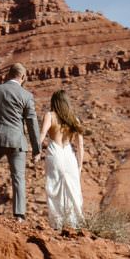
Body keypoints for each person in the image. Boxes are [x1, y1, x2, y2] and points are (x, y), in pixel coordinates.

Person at [0, 62, 41, 220]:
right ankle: (19, 215)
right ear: (23, 77)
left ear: (8, 75)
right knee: (18, 177)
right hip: (17, 142)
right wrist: (36, 149)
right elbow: (32, 123)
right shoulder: (26, 96)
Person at [39, 89, 87, 230]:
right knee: (73, 190)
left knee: (55, 188)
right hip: (69, 156)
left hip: (55, 153)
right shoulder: (74, 119)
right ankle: (75, 224)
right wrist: (80, 165)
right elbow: (80, 145)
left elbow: (42, 133)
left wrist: (36, 150)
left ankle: (58, 225)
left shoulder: (50, 115)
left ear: (54, 102)